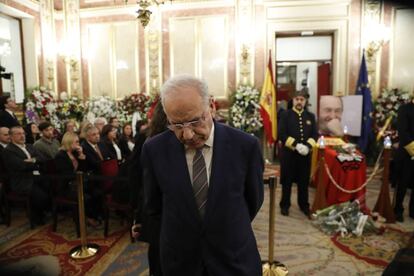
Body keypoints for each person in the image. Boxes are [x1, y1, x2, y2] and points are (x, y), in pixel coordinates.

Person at [140, 74, 264, 276]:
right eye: (177, 125)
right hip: (180, 262)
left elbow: (253, 201)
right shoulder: (154, 150)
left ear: (212, 107)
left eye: (195, 121)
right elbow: (154, 206)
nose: (187, 134)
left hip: (233, 259)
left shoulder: (245, 147)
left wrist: (221, 223)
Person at [279, 88, 318, 217]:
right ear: (293, 100)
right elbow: (282, 134)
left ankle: (304, 205)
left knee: (303, 182)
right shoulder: (285, 114)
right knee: (287, 181)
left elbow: (315, 134)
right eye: (297, 99)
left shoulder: (310, 117)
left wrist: (307, 146)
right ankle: (285, 205)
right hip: (289, 155)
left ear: (305, 101)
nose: (299, 102)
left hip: (305, 156)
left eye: (302, 99)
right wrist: (296, 146)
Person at [2, 126, 49, 225]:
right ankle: (36, 217)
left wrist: (32, 160)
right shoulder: (8, 151)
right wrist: (36, 164)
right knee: (41, 196)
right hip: (22, 181)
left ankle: (45, 211)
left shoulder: (29, 146)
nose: (22, 136)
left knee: (54, 187)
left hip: (37, 176)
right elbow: (21, 166)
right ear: (11, 136)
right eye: (18, 134)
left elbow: (43, 158)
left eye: (23, 133)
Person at [394, 98, 414, 222]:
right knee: (403, 183)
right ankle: (398, 210)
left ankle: (413, 210)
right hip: (407, 152)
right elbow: (403, 132)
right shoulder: (404, 109)